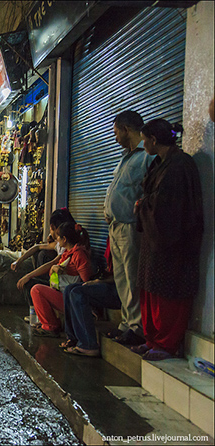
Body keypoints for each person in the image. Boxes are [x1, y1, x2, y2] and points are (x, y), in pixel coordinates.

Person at [133, 119, 203, 361]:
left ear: (153, 140)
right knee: (150, 289)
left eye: (144, 139)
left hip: (172, 242)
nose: (143, 144)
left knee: (167, 293)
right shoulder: (160, 164)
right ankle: (152, 339)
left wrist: (143, 205)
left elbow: (170, 206)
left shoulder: (180, 165)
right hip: (155, 240)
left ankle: (166, 343)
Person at [102, 110, 153, 346]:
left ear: (126, 129)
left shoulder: (147, 157)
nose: (115, 138)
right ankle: (127, 324)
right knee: (121, 278)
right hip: (116, 226)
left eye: (115, 133)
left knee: (132, 279)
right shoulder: (126, 157)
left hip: (132, 228)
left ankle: (138, 327)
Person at [30, 222, 93, 337]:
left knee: (36, 290)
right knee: (36, 288)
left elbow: (86, 282)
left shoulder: (79, 255)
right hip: (63, 293)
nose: (56, 239)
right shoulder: (68, 253)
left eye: (58, 237)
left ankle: (51, 326)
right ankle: (48, 323)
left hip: (71, 299)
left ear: (64, 239)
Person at [14, 208, 77, 322]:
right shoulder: (63, 243)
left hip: (63, 291)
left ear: (53, 227)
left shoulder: (68, 248)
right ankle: (38, 316)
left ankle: (43, 320)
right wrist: (19, 260)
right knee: (41, 254)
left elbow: (52, 263)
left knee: (32, 286)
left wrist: (28, 276)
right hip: (60, 286)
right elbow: (37, 247)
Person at [61, 238, 122, 357]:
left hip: (118, 290)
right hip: (109, 283)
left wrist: (100, 281)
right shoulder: (112, 239)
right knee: (69, 289)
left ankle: (88, 344)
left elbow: (124, 277)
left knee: (77, 293)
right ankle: (73, 338)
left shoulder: (127, 240)